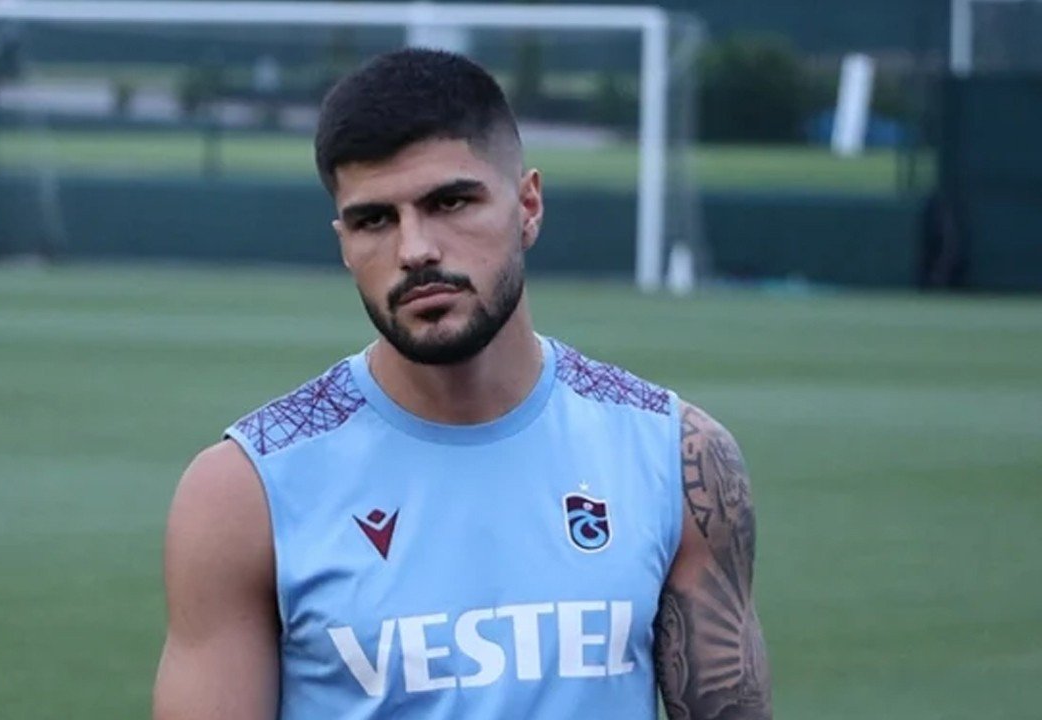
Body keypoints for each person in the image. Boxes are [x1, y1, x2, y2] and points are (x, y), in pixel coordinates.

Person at [153, 48, 771, 719]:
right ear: (343, 243)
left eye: (450, 202)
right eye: (374, 219)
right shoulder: (247, 490)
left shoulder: (675, 459)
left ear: (527, 206)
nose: (415, 249)